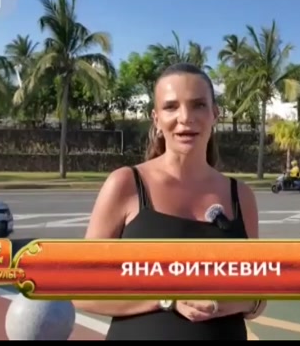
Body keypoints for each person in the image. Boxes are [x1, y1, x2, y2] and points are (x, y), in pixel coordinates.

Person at [74, 63, 266, 340]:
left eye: (198, 105)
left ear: (215, 114)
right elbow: (80, 290)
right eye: (171, 106)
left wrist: (230, 302)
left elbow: (258, 294)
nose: (185, 117)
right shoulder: (126, 184)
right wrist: (168, 298)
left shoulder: (241, 195)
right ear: (156, 118)